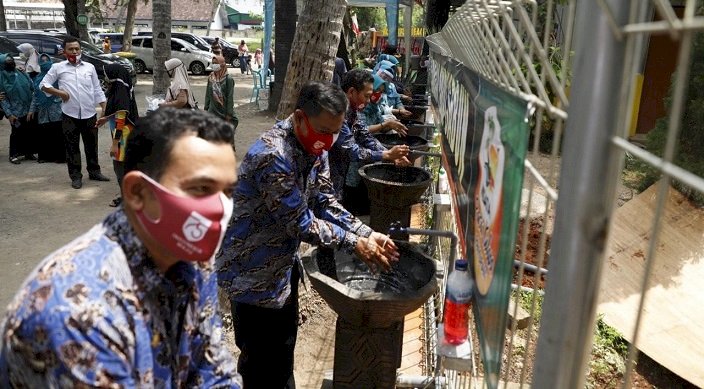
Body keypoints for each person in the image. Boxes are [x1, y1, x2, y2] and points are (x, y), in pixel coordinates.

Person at [0, 108, 243, 388]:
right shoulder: (76, 315)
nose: (220, 208)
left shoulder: (193, 257)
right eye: (201, 188)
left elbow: (212, 369)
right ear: (138, 193)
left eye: (228, 192)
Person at [217, 81, 399, 389]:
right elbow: (300, 223)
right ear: (300, 117)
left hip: (281, 271)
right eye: (324, 131)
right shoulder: (272, 156)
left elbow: (325, 201)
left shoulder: (315, 146)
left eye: (334, 133)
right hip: (252, 277)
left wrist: (367, 232)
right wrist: (355, 243)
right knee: (261, 366)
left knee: (282, 356)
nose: (328, 142)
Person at [41, 36, 110, 189]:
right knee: (72, 147)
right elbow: (43, 84)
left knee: (92, 145)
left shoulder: (89, 67)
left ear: (81, 50)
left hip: (89, 114)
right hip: (69, 115)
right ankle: (75, 176)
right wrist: (60, 93)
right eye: (71, 49)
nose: (74, 51)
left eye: (77, 49)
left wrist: (104, 108)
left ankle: (94, 172)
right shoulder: (58, 68)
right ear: (64, 51)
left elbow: (97, 89)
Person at [330, 69, 410, 203]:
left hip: (340, 173)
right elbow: (350, 150)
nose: (368, 100)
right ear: (351, 92)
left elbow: (365, 136)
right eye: (366, 96)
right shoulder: (338, 113)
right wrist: (386, 155)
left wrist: (390, 154)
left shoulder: (355, 112)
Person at [95, 63, 139, 207]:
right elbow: (117, 111)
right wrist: (106, 118)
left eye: (107, 75)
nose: (106, 78)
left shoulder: (120, 93)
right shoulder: (122, 90)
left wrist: (115, 144)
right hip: (126, 133)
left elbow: (121, 119)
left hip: (123, 136)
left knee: (120, 166)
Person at [28, 53, 65, 164]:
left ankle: (60, 156)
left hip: (56, 109)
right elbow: (35, 96)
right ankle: (45, 157)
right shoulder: (37, 78)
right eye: (42, 61)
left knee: (58, 133)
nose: (45, 63)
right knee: (44, 134)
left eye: (47, 60)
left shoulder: (58, 77)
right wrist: (31, 110)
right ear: (39, 63)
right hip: (43, 110)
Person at [1, 53, 36, 165]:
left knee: (29, 131)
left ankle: (28, 152)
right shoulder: (1, 77)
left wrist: (25, 73)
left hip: (27, 107)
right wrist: (9, 114)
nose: (10, 62)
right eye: (7, 61)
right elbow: (2, 98)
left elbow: (31, 86)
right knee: (16, 132)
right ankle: (13, 154)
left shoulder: (20, 73)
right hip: (14, 110)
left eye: (11, 60)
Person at [204, 55, 238, 133]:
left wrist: (229, 115)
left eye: (216, 63)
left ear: (222, 64)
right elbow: (208, 95)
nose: (214, 65)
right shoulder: (211, 78)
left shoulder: (228, 79)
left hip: (224, 112)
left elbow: (230, 98)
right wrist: (206, 109)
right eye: (213, 63)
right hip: (212, 112)